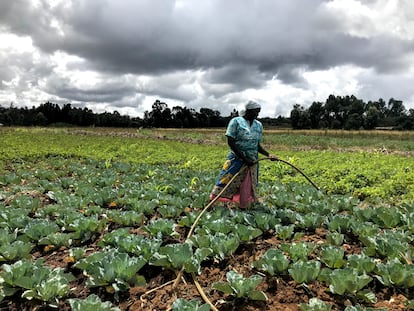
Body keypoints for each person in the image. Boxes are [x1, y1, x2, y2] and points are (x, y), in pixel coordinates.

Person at [210, 100, 278, 209]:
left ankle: (243, 205)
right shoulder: (236, 122)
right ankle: (217, 203)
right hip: (236, 159)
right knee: (226, 180)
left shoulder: (258, 125)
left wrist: (268, 155)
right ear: (248, 111)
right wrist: (243, 158)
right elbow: (230, 142)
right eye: (256, 112)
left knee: (247, 185)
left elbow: (257, 145)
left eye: (258, 112)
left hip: (252, 160)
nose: (257, 115)